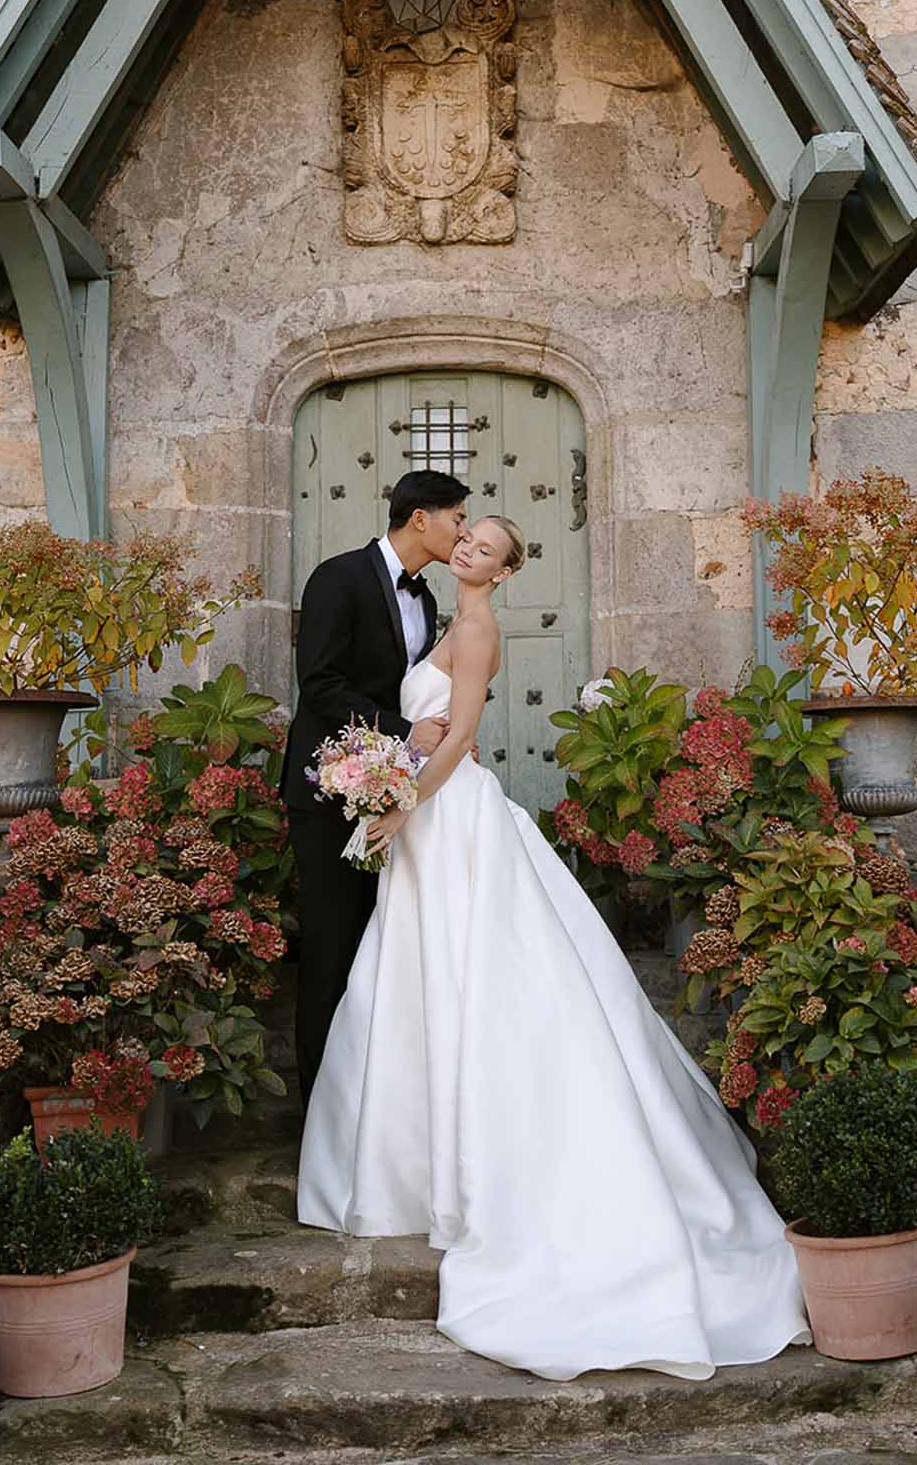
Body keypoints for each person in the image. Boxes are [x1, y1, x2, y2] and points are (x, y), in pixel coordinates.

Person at [297, 515, 810, 1383]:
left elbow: (458, 740)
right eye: (468, 540)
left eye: (488, 549)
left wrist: (400, 803)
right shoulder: (441, 616)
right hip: (429, 823)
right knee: (415, 980)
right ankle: (404, 1167)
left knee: (477, 980)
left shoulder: (479, 626)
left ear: (502, 574)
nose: (469, 551)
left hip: (451, 821)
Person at [281, 469, 470, 1108]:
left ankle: (369, 1118)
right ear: (421, 517)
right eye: (458, 517)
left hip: (388, 798)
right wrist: (403, 730)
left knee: (378, 956)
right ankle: (317, 1121)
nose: (463, 531)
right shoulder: (339, 577)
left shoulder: (427, 600)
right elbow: (320, 686)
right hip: (329, 795)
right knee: (331, 953)